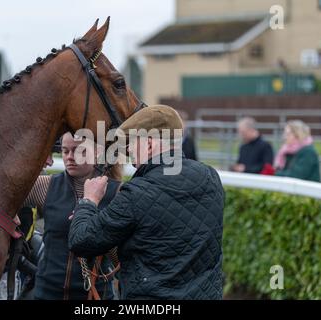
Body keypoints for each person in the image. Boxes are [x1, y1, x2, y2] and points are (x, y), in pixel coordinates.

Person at [69, 105, 225, 300]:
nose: (129, 153)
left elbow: (81, 241)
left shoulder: (136, 192)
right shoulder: (210, 177)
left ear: (149, 144)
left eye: (132, 144)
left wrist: (88, 201)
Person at [24, 132, 122, 300]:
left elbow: (123, 257)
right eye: (64, 151)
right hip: (46, 293)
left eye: (78, 151)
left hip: (95, 295)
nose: (69, 157)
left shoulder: (117, 193)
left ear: (98, 151)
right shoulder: (45, 186)